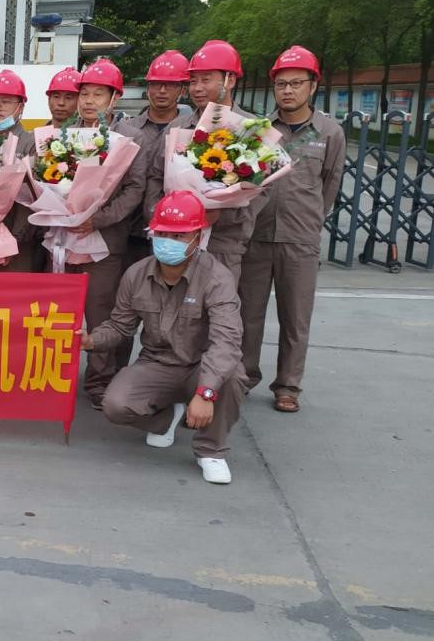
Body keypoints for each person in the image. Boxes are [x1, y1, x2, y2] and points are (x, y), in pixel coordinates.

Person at [81, 191, 244, 485]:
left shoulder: (217, 278)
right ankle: (166, 419)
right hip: (157, 363)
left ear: (197, 237)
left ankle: (211, 450)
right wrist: (91, 341)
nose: (169, 242)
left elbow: (226, 341)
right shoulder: (136, 274)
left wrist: (206, 392)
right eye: (163, 234)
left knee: (232, 377)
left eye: (179, 236)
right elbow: (120, 326)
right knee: (115, 404)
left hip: (201, 366)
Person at [239, 46, 346, 414]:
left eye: (296, 83)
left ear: (313, 85)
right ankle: (244, 376)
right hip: (256, 235)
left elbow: (330, 184)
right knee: (248, 313)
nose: (288, 90)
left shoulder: (330, 132)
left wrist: (310, 220)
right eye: (281, 84)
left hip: (300, 239)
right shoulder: (260, 130)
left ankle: (288, 386)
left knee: (295, 317)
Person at [146, 40, 262, 284]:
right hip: (175, 239)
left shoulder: (251, 129)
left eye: (206, 80)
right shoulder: (177, 127)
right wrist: (161, 214)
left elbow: (262, 191)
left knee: (218, 302)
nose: (197, 88)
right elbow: (156, 176)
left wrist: (218, 216)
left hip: (224, 242)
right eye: (193, 81)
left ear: (230, 80)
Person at [69, 59, 148, 410]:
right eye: (84, 93)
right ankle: (55, 375)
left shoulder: (131, 138)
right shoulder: (62, 134)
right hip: (63, 239)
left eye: (98, 94)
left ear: (114, 98)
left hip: (103, 241)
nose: (89, 101)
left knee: (100, 313)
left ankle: (99, 381)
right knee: (59, 312)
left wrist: (98, 219)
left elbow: (134, 190)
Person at [112, 51, 192, 370]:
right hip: (129, 232)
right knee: (124, 306)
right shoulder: (125, 129)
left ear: (181, 90)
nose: (161, 91)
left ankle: (164, 372)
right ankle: (115, 372)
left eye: (170, 85)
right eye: (156, 84)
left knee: (172, 310)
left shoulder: (191, 131)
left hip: (174, 238)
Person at [0, 69, 38, 273]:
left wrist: (15, 238)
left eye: (5, 102)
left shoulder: (31, 143)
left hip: (15, 243)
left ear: (20, 107)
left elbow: (32, 197)